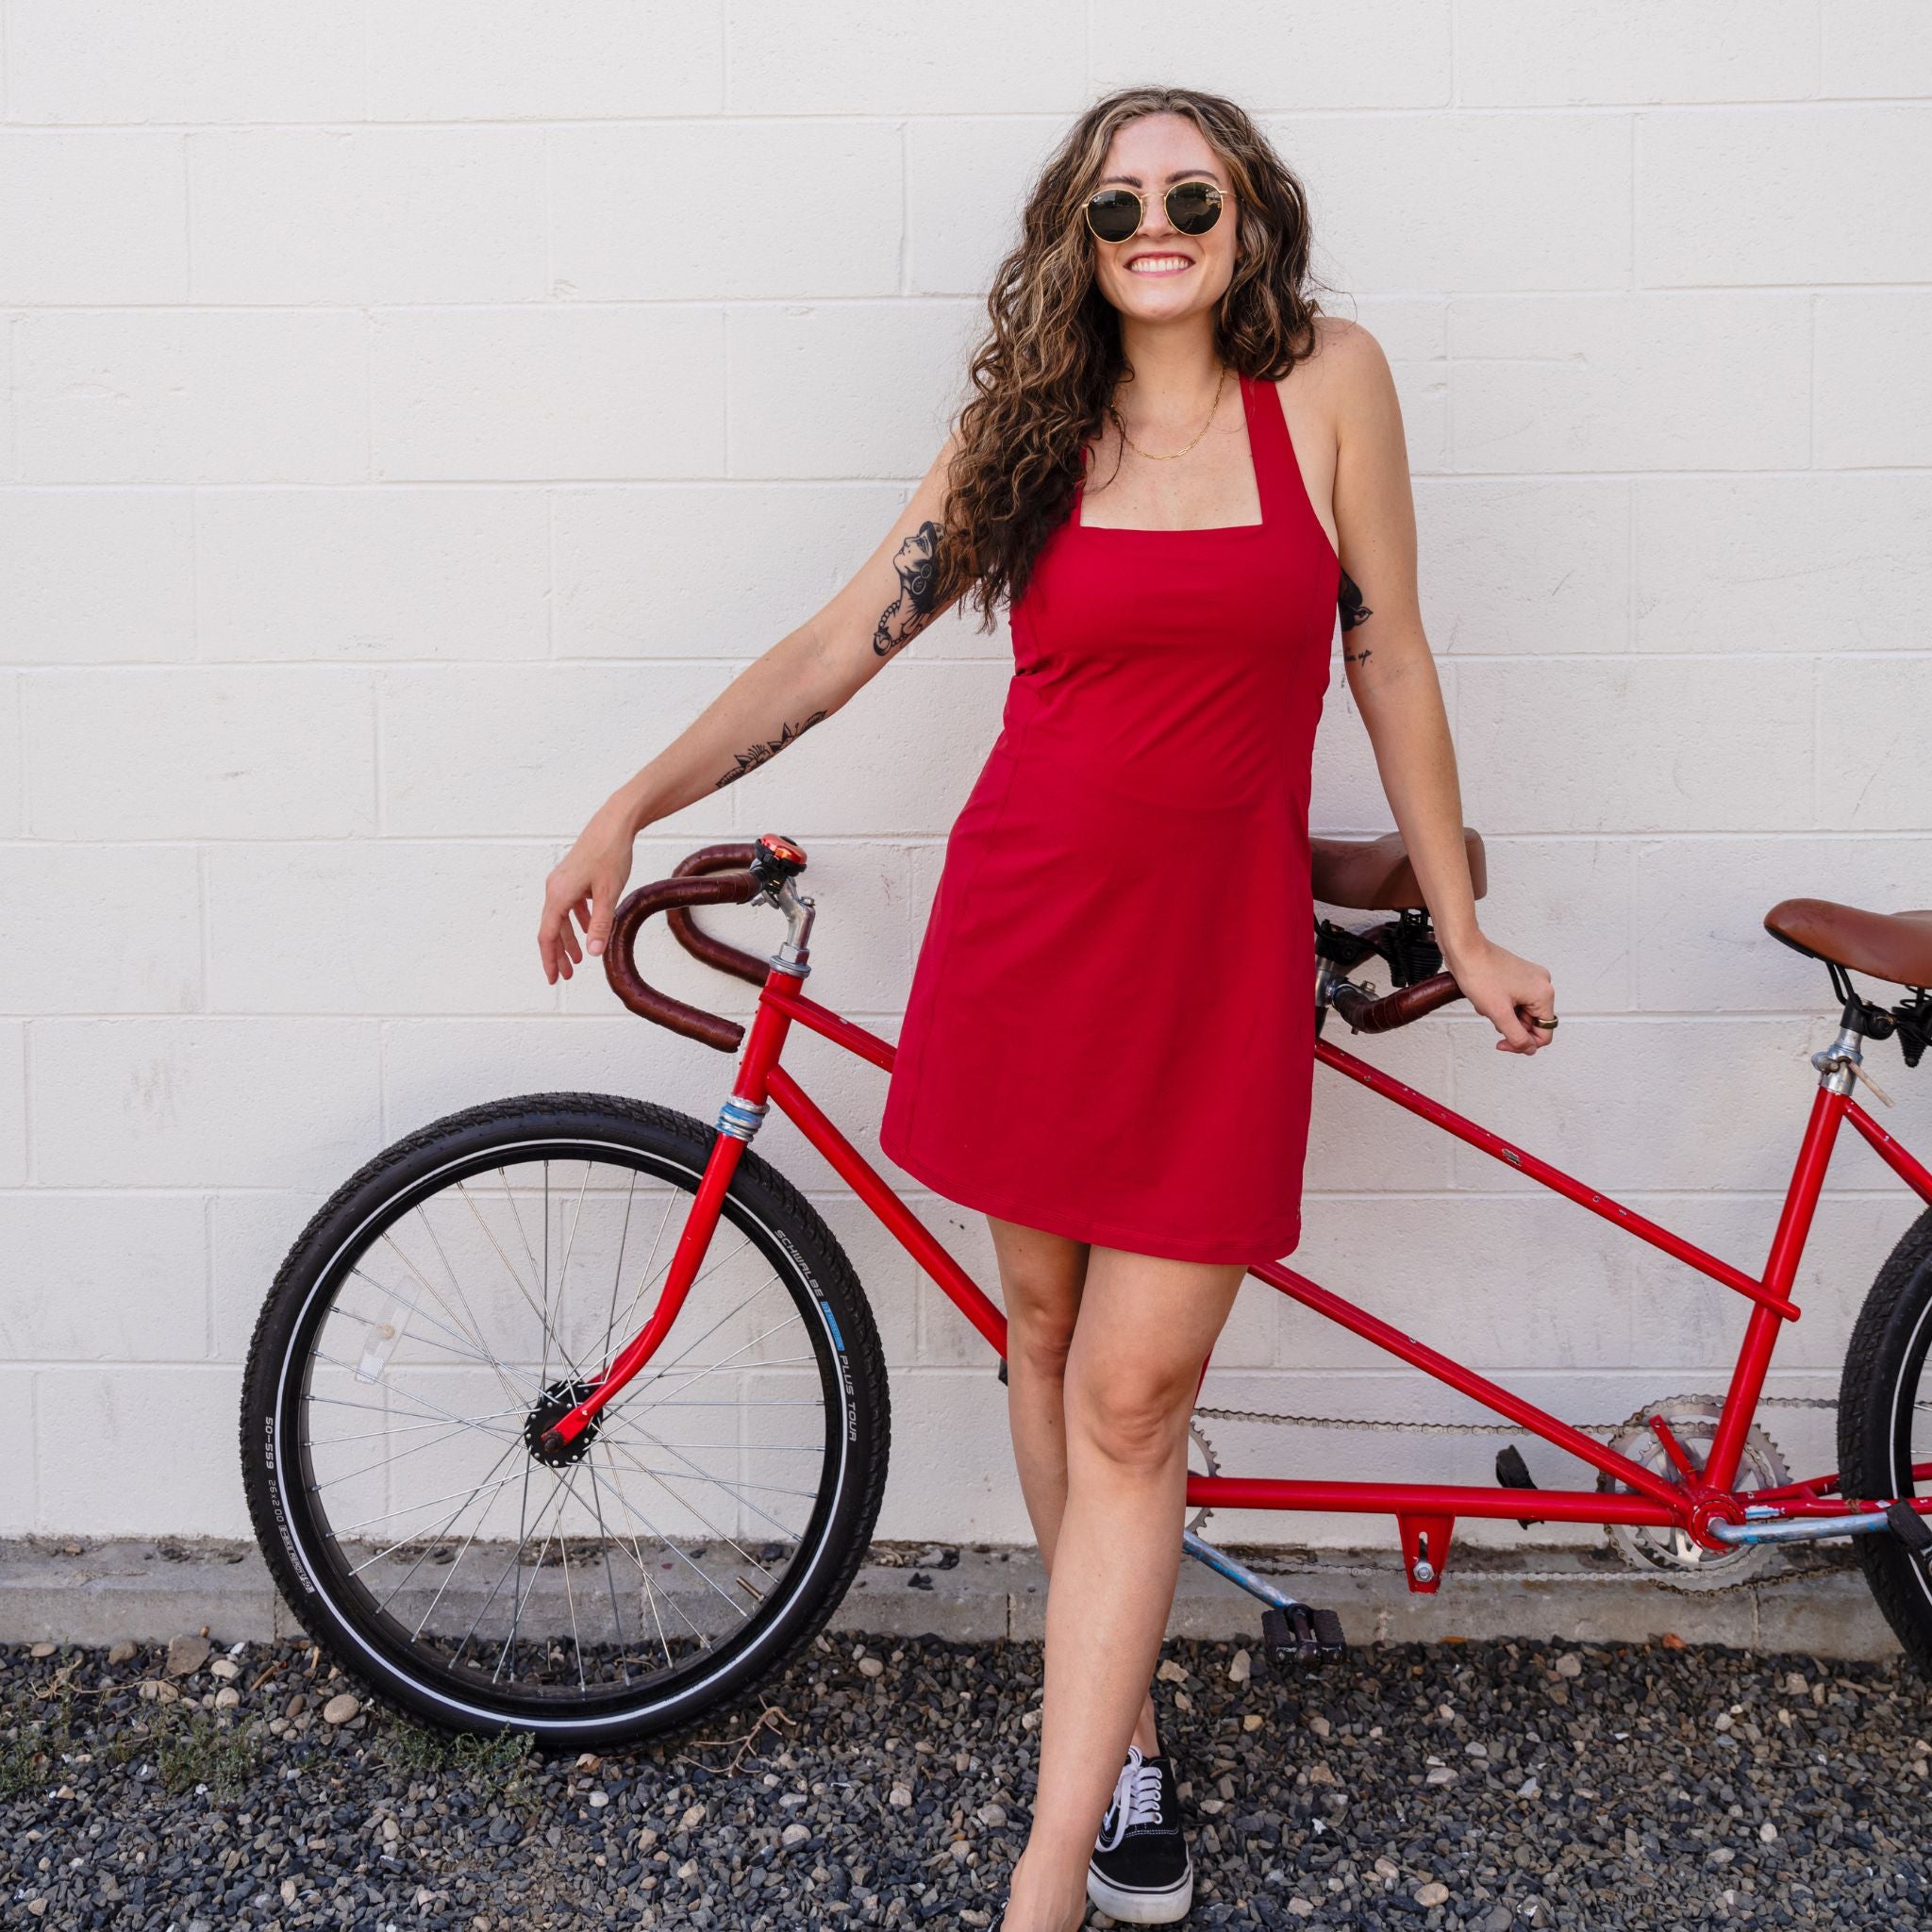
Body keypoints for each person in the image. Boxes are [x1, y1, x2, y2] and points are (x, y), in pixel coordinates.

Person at [538, 83, 1556, 1932]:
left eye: (1194, 193)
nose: (1156, 225)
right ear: (1072, 242)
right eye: (1118, 206)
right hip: (1029, 933)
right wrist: (633, 799)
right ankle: (1124, 1746)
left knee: (1134, 1391)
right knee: (1040, 1329)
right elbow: (845, 640)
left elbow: (1386, 647)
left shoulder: (1329, 383)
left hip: (1214, 958)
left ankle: (1042, 1882)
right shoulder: (1028, 429)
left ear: (1251, 216)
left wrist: (1462, 924)